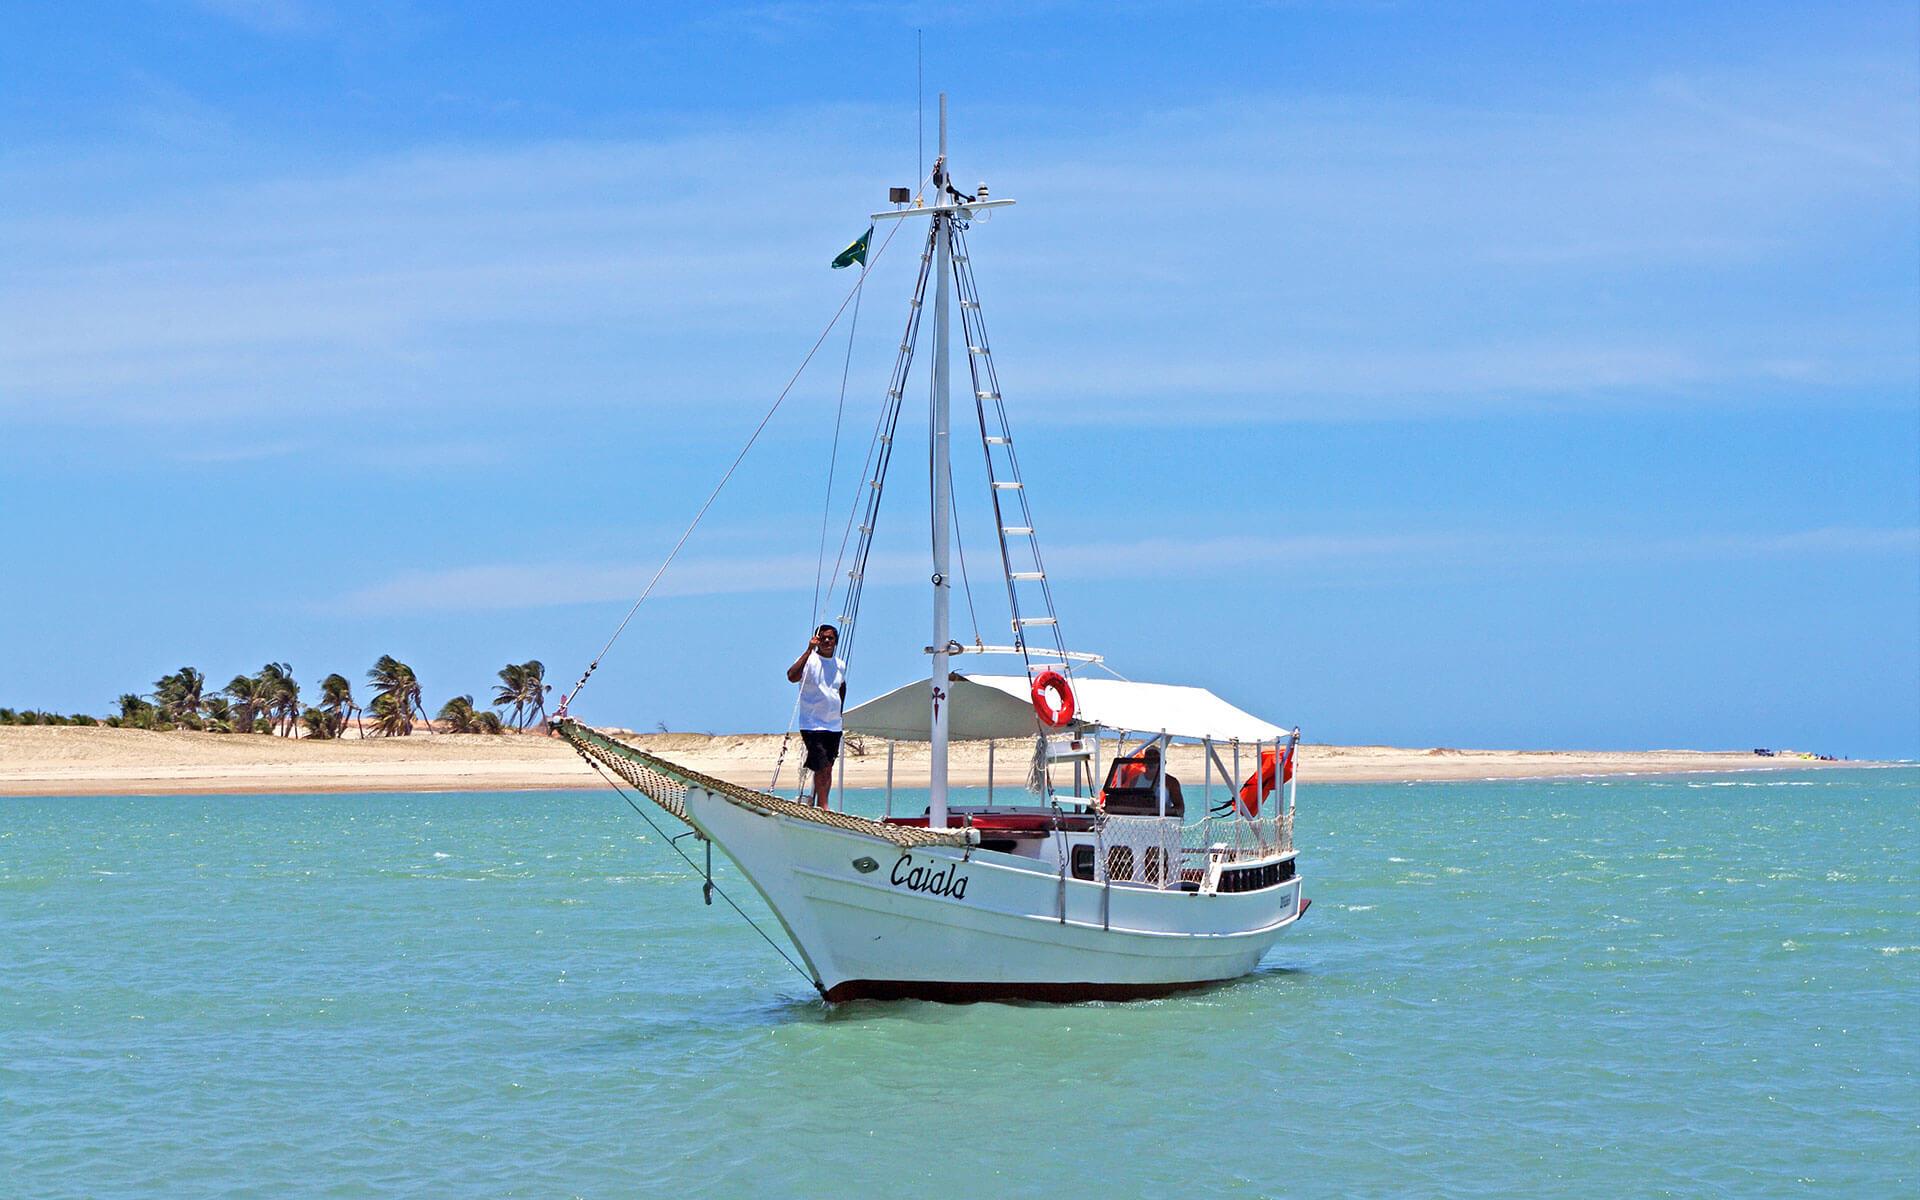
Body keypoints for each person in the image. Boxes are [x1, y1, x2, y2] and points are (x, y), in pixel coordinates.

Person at [785, 624, 846, 808]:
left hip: (833, 725)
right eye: (823, 638)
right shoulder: (809, 660)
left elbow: (841, 686)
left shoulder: (840, 664)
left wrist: (839, 711)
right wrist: (809, 649)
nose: (827, 641)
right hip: (812, 724)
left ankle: (822, 805)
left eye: (830, 638)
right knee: (821, 765)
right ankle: (824, 806)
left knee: (828, 767)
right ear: (817, 639)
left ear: (835, 641)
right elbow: (792, 676)